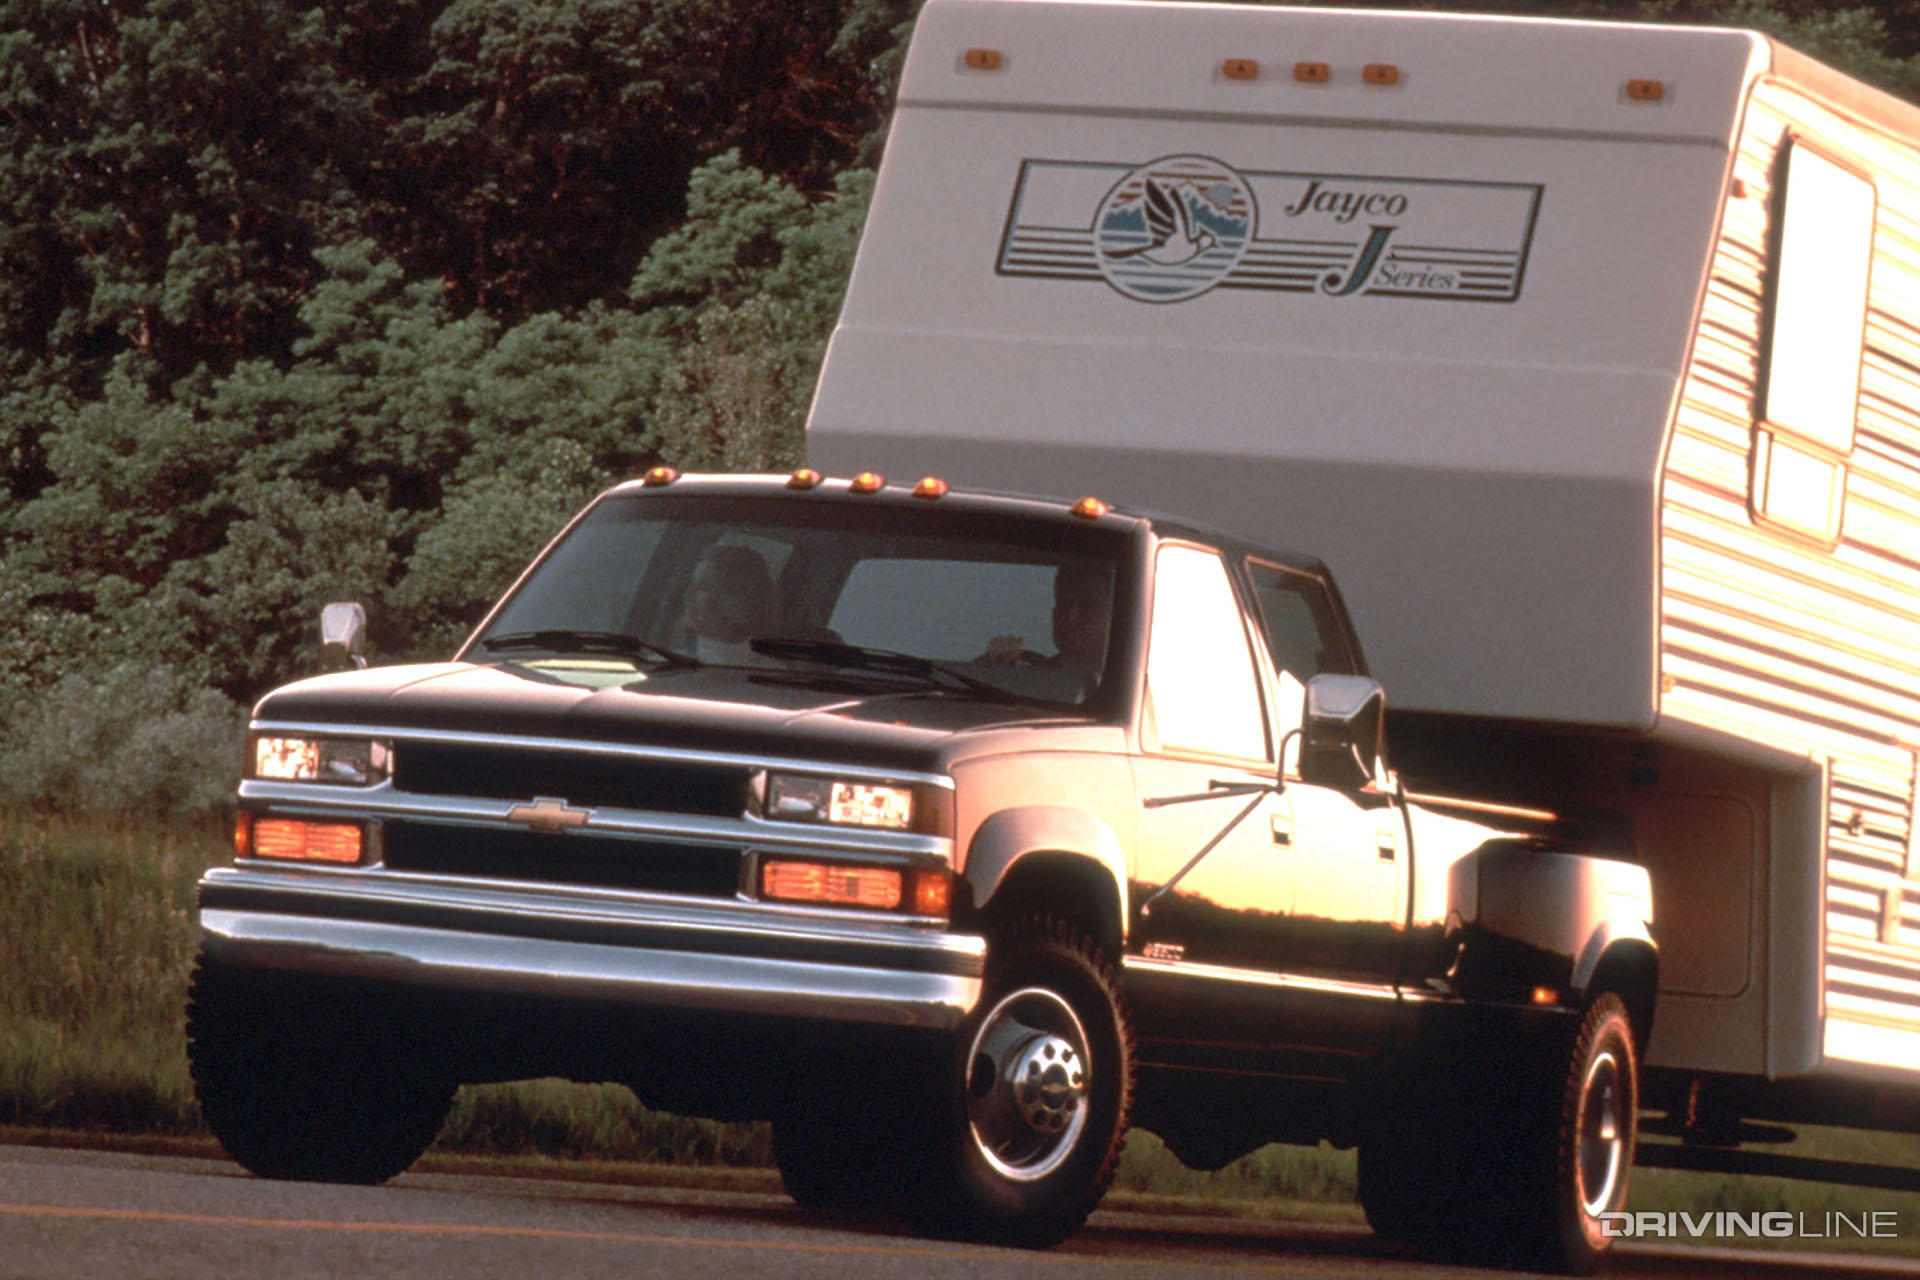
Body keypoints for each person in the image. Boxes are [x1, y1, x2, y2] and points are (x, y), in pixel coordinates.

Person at [982, 560, 1111, 678]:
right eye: (1064, 603)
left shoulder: (1128, 687)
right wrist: (997, 671)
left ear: (1113, 615)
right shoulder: (1032, 679)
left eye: (1088, 605)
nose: (1069, 616)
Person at [682, 544, 775, 665]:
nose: (687, 594)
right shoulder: (664, 664)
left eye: (704, 587)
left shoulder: (772, 673)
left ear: (738, 602)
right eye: (692, 584)